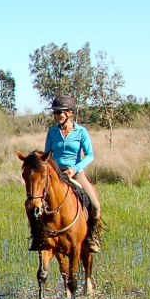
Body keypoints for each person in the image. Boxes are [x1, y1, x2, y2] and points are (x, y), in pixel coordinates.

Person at [44, 96, 103, 252]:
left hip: (75, 173)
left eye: (59, 112)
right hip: (56, 173)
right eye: (55, 113)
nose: (56, 116)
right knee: (35, 203)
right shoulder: (52, 132)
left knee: (95, 205)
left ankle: (91, 237)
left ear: (69, 113)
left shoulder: (81, 131)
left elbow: (89, 155)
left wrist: (75, 169)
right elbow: (47, 155)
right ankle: (37, 237)